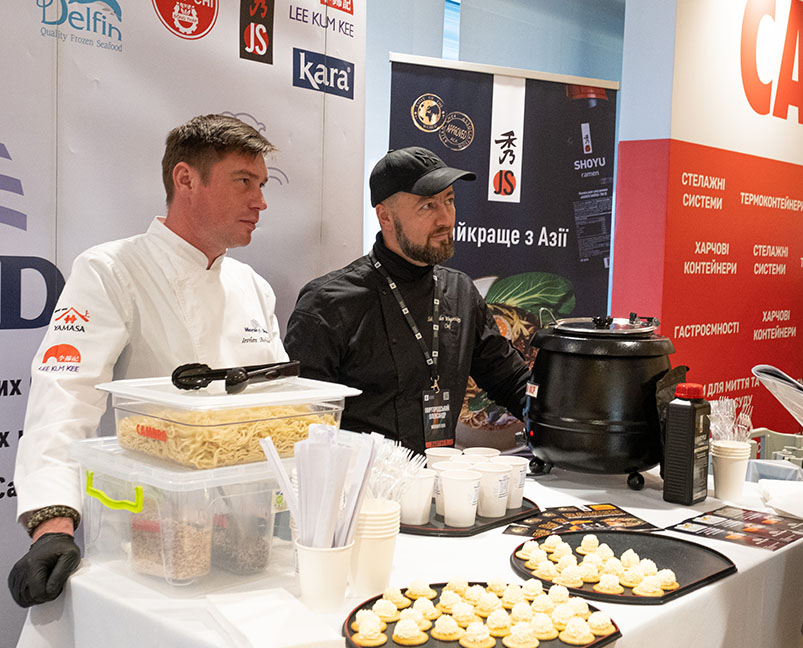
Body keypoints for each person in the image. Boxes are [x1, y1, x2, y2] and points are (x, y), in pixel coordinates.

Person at [7, 114, 287, 607]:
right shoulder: (112, 270)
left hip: (248, 543)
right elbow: (65, 397)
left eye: (262, 185)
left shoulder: (253, 287)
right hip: (145, 543)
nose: (260, 201)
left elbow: (278, 411)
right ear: (186, 179)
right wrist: (52, 524)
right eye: (244, 181)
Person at [285, 146, 530, 452]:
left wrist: (563, 421)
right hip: (362, 479)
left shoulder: (460, 292)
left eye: (449, 201)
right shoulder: (328, 304)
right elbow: (301, 421)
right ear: (385, 217)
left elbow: (509, 379)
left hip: (440, 474)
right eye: (427, 206)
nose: (446, 219)